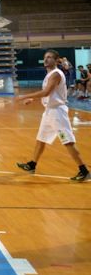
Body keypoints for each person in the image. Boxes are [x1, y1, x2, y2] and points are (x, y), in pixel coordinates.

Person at [16, 49, 89, 182]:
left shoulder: (56, 74)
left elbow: (46, 92)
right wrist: (33, 99)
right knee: (41, 139)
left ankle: (84, 170)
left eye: (49, 57)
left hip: (57, 113)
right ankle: (32, 164)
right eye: (45, 57)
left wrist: (24, 96)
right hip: (49, 112)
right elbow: (49, 93)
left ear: (56, 61)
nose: (46, 59)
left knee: (68, 142)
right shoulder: (50, 74)